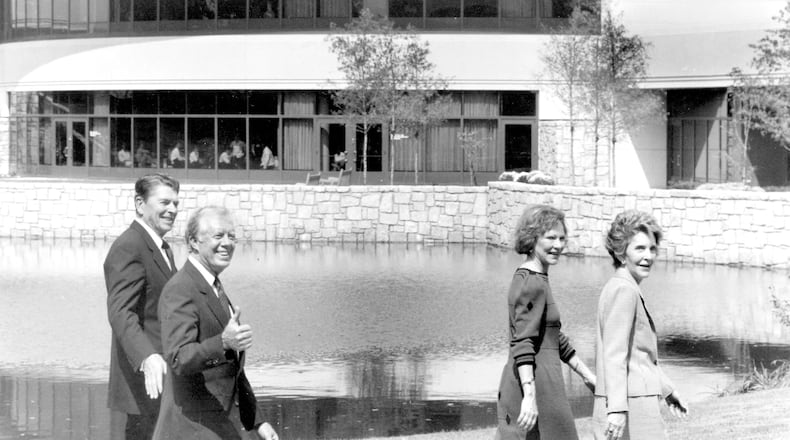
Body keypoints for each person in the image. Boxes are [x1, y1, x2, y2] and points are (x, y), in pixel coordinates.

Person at [153, 206, 279, 440]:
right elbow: (178, 358)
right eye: (218, 236)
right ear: (193, 241)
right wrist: (222, 342)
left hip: (217, 426)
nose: (227, 243)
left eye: (232, 236)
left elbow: (232, 370)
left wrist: (258, 421)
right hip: (191, 431)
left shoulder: (212, 286)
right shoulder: (180, 288)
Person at [496, 204, 596, 440]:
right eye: (550, 237)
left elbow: (553, 337)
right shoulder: (531, 282)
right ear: (532, 239)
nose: (558, 245)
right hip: (534, 387)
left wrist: (586, 375)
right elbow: (523, 342)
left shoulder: (537, 278)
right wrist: (530, 396)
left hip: (546, 385)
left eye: (562, 238)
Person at [593, 210, 688, 440]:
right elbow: (614, 355)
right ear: (621, 253)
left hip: (633, 401)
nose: (648, 256)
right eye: (640, 248)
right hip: (631, 405)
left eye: (652, 248)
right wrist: (616, 409)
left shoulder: (622, 286)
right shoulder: (624, 290)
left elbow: (639, 356)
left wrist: (666, 390)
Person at [104, 173, 181, 439]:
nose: (172, 210)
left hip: (164, 378)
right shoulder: (130, 245)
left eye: (176, 204)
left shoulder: (161, 247)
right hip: (144, 381)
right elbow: (120, 312)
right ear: (140, 204)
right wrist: (147, 356)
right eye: (164, 203)